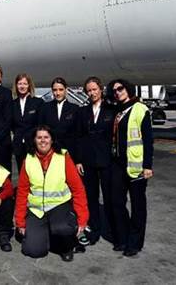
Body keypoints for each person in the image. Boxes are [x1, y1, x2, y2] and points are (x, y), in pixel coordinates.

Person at [15, 126, 89, 261]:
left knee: (62, 228)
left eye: (46, 137)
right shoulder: (28, 160)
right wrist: (20, 221)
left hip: (59, 207)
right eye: (39, 137)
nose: (43, 141)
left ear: (52, 139)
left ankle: (65, 246)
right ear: (34, 140)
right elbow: (22, 192)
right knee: (33, 250)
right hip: (36, 210)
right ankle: (45, 236)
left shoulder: (63, 157)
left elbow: (78, 189)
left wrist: (82, 218)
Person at [107, 79, 154, 257]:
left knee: (138, 206)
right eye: (115, 90)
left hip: (136, 165)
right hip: (118, 164)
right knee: (116, 202)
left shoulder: (140, 109)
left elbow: (148, 140)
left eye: (121, 88)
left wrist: (147, 165)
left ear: (128, 89)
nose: (118, 92)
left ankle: (135, 243)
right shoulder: (117, 111)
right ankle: (123, 237)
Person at [74, 76, 116, 246]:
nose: (92, 93)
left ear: (101, 89)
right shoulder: (83, 112)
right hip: (88, 161)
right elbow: (79, 137)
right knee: (91, 197)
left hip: (107, 161)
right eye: (89, 90)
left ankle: (112, 230)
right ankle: (95, 230)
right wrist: (78, 160)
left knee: (109, 197)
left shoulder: (111, 110)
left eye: (94, 89)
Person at [39, 77, 80, 158]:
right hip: (50, 152)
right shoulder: (45, 108)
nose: (57, 93)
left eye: (61, 90)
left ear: (66, 90)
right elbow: (40, 130)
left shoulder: (74, 108)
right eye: (55, 90)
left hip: (69, 152)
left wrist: (78, 159)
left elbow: (78, 135)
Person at [11, 73, 43, 172]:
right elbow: (12, 125)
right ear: (16, 86)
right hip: (19, 145)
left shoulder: (37, 102)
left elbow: (40, 124)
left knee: (35, 172)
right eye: (20, 83)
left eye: (25, 83)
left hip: (33, 145)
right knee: (22, 172)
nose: (22, 86)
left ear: (29, 85)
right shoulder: (13, 104)